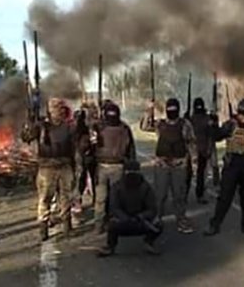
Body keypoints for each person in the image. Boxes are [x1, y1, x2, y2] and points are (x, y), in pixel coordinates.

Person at [22, 98, 78, 241]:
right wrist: (29, 123)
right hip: (47, 168)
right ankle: (43, 227)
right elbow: (26, 137)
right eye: (55, 108)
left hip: (64, 165)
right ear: (50, 110)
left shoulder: (68, 127)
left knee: (66, 197)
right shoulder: (42, 127)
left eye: (60, 108)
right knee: (45, 199)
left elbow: (73, 148)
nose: (58, 111)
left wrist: (75, 166)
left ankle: (67, 227)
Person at [204, 98, 244, 236]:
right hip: (232, 165)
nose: (242, 116)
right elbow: (217, 136)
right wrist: (213, 124)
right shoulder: (230, 124)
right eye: (240, 113)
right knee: (224, 197)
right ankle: (215, 225)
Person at [148, 98, 197, 234]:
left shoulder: (185, 124)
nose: (171, 112)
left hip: (179, 164)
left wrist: (193, 161)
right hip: (161, 164)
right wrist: (149, 110)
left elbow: (192, 143)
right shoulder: (160, 124)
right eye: (169, 109)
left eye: (173, 110)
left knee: (179, 195)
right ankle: (157, 219)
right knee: (160, 195)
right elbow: (145, 126)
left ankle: (181, 220)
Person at [97, 160, 162, 257]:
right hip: (122, 222)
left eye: (134, 172)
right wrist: (125, 218)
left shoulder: (146, 187)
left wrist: (141, 216)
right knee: (111, 224)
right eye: (129, 172)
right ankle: (110, 246)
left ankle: (149, 242)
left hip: (141, 221)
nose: (131, 174)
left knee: (158, 223)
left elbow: (152, 208)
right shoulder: (117, 187)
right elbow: (114, 207)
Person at [93, 102, 137, 233]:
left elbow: (130, 149)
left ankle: (104, 225)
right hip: (106, 166)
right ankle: (103, 224)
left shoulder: (120, 128)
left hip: (113, 166)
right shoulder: (101, 128)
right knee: (107, 199)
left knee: (107, 199)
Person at [189, 97, 218, 204]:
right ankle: (198, 194)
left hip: (198, 150)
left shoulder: (195, 119)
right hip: (196, 150)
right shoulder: (196, 119)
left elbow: (211, 135)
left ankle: (198, 194)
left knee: (198, 174)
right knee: (197, 174)